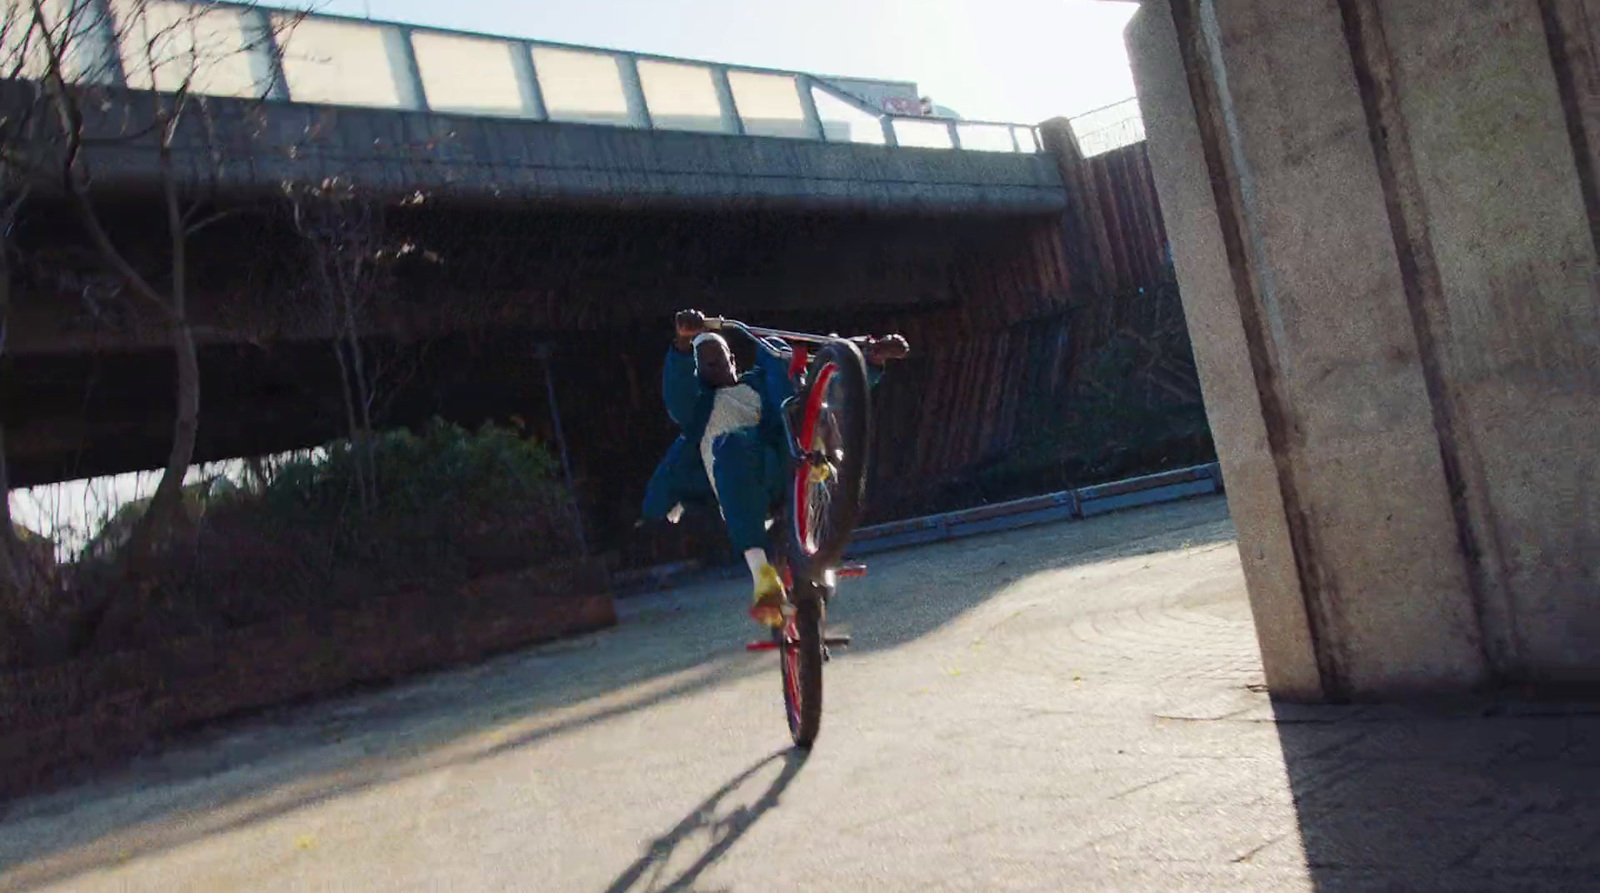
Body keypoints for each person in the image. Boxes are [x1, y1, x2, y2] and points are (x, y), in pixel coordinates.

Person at [641, 310, 909, 627]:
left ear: (733, 361)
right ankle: (763, 577)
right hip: (745, 485)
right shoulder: (696, 409)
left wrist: (871, 363)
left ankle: (815, 450)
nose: (713, 363)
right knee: (731, 445)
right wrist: (684, 343)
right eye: (704, 360)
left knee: (778, 360)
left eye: (719, 356)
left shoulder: (758, 385)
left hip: (785, 456)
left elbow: (834, 386)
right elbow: (677, 390)